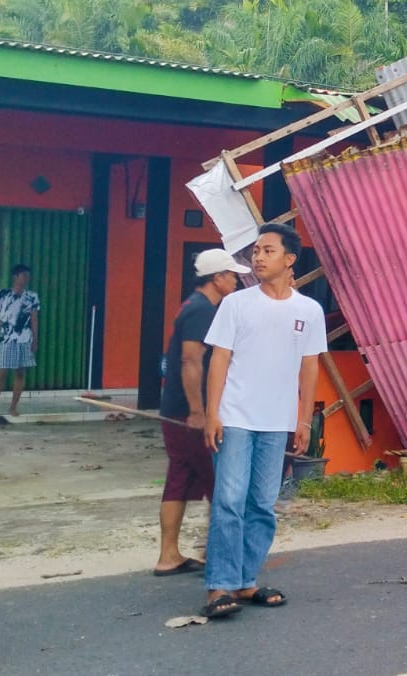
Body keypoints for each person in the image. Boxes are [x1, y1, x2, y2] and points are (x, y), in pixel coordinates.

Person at [199, 224, 326, 619]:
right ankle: (219, 584)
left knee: (261, 504)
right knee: (229, 500)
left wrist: (303, 422)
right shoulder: (237, 304)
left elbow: (309, 368)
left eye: (268, 250)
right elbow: (218, 359)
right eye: (256, 250)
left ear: (289, 260)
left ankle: (245, 580)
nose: (257, 257)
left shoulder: (308, 310)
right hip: (236, 416)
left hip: (276, 422)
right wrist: (212, 412)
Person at [154, 248, 250, 577]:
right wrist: (199, 411)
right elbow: (190, 361)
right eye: (232, 275)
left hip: (176, 410)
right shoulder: (201, 310)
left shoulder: (197, 307)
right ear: (217, 278)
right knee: (218, 481)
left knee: (179, 478)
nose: (236, 280)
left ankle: (169, 555)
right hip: (188, 413)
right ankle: (216, 554)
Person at [0, 264, 38, 418]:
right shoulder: (3, 294)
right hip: (7, 338)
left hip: (25, 338)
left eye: (27, 276)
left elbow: (34, 319)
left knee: (20, 373)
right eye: (24, 275)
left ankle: (13, 407)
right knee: (2, 372)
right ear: (16, 277)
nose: (26, 278)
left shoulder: (32, 296)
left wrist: (35, 339)